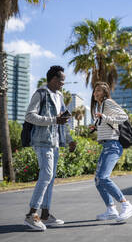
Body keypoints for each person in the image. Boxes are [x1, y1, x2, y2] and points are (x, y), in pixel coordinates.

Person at [24, 65, 76, 231]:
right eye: (61, 81)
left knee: (51, 178)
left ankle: (45, 215)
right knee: (45, 175)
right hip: (42, 141)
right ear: (53, 79)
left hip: (55, 142)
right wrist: (53, 119)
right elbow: (29, 115)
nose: (63, 84)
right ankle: (31, 214)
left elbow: (63, 120)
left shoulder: (59, 96)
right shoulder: (40, 93)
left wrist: (69, 139)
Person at [90, 81, 132, 222]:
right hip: (107, 145)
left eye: (99, 90)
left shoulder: (108, 102)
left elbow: (123, 116)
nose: (96, 93)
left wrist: (106, 118)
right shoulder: (100, 106)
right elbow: (107, 124)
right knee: (98, 180)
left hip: (113, 145)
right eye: (95, 90)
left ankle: (126, 205)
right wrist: (96, 127)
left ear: (105, 93)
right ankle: (111, 209)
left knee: (103, 177)